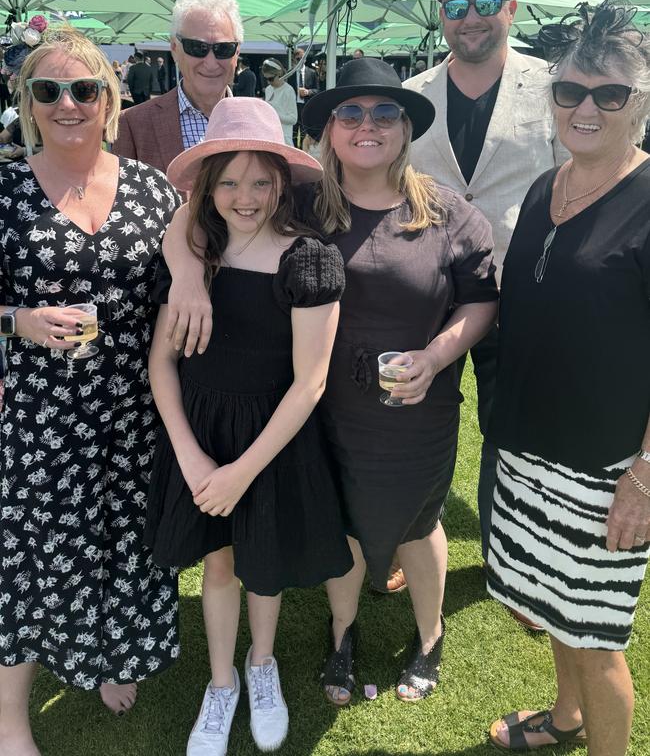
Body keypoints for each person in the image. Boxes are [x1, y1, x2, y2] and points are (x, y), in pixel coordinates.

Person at [162, 58, 498, 706]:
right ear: (329, 129)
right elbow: (197, 212)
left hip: (415, 409)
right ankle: (340, 633)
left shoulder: (448, 211)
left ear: (405, 128)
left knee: (418, 523)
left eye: (384, 113)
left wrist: (436, 356)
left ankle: (429, 638)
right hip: (321, 408)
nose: (367, 125)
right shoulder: (307, 204)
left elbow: (481, 298)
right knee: (339, 518)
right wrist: (182, 275)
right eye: (351, 112)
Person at [144, 96, 352, 756]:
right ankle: (221, 678)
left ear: (281, 182)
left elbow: (309, 382)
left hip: (271, 444)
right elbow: (161, 366)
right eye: (228, 181)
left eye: (260, 180)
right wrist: (197, 462)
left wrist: (241, 471)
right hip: (201, 439)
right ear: (208, 186)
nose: (245, 196)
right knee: (219, 564)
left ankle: (262, 665)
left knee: (262, 565)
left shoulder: (308, 260)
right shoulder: (191, 258)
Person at [0, 28, 181, 755]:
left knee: (125, 544)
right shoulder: (6, 190)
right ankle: (10, 714)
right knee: (31, 554)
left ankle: (111, 656)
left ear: (110, 99)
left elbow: (184, 277)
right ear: (28, 104)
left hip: (136, 410)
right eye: (49, 91)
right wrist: (20, 321)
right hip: (43, 415)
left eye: (85, 89)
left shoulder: (150, 188)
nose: (68, 103)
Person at [485, 0, 650, 756]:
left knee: (596, 635)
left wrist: (645, 473)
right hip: (528, 449)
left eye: (609, 94)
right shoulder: (541, 187)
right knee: (552, 606)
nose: (586, 107)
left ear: (639, 104)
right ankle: (565, 719)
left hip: (606, 466)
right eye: (570, 91)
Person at [404, 0, 566, 579]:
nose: (470, 17)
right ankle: (405, 536)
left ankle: (512, 555)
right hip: (429, 289)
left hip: (524, 290)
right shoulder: (413, 96)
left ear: (511, 7)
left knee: (514, 429)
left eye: (484, 2)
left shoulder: (554, 85)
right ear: (439, 17)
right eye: (454, 6)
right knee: (412, 419)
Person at [114, 0, 242, 172]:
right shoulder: (133, 124)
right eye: (197, 48)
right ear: (175, 48)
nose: (211, 62)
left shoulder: (259, 122)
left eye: (223, 49)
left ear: (237, 52)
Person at [262, 58, 297, 146]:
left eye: (271, 79)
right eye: (266, 79)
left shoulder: (288, 90)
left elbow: (293, 119)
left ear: (279, 74)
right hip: (269, 137)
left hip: (283, 139)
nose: (268, 82)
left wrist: (274, 115)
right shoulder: (268, 89)